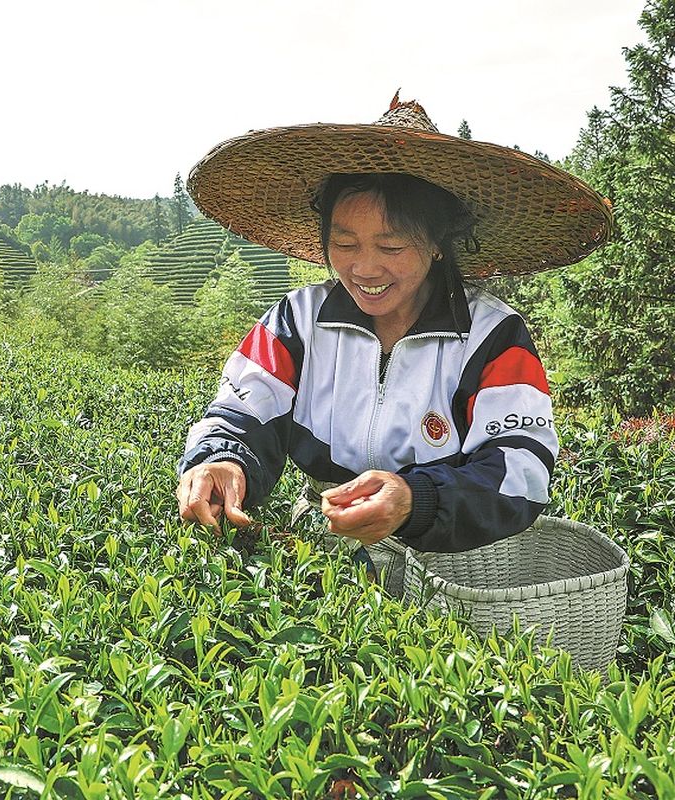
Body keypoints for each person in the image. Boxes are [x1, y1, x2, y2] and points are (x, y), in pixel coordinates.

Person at [177, 95, 613, 561]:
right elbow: (242, 411)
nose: (364, 268)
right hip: (325, 547)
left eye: (391, 246)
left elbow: (520, 467)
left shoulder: (493, 336)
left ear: (437, 245)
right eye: (344, 243)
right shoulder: (298, 320)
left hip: (451, 557)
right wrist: (222, 460)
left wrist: (415, 500)